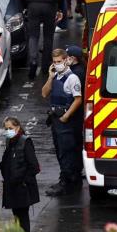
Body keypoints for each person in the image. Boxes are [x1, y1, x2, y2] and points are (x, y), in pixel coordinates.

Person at [41, 47, 83, 196]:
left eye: (59, 61)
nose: (57, 64)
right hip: (55, 119)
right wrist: (50, 77)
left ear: (66, 60)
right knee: (59, 151)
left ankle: (66, 183)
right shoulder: (56, 77)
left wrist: (66, 116)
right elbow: (44, 93)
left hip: (65, 121)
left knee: (66, 153)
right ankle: (67, 178)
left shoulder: (72, 78)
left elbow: (78, 99)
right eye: (55, 62)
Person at [0, 116, 40, 232]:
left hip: (22, 188)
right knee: (17, 217)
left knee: (23, 218)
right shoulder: (10, 142)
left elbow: (34, 167)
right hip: (12, 187)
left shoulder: (25, 142)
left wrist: (23, 181)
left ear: (17, 128)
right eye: (6, 129)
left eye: (10, 128)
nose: (8, 131)